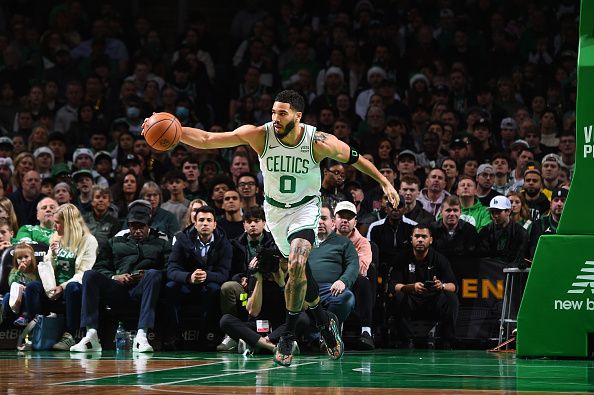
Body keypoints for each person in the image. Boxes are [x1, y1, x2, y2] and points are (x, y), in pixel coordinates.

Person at [145, 89, 399, 366]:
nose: (275, 117)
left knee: (298, 262)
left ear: (297, 116)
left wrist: (385, 183)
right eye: (273, 112)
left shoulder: (318, 141)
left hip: (305, 209)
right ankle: (324, 322)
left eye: (282, 113)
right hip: (276, 213)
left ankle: (288, 336)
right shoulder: (261, 135)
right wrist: (176, 130)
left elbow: (356, 158)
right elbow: (208, 140)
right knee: (299, 272)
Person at [24, 204, 98, 350]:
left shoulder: (88, 241)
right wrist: (53, 257)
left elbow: (83, 273)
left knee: (72, 287)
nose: (54, 226)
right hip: (54, 288)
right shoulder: (56, 238)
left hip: (74, 288)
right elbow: (47, 268)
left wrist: (62, 287)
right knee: (32, 287)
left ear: (69, 223)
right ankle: (37, 333)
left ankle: (70, 335)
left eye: (58, 222)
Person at [389, 225, 459, 349]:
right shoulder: (402, 258)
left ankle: (446, 340)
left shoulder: (439, 259)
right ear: (411, 239)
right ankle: (406, 339)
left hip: (433, 300)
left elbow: (454, 286)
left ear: (430, 240)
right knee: (398, 297)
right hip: (411, 299)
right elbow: (393, 285)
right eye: (417, 236)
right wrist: (411, 287)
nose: (420, 239)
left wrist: (441, 285)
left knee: (451, 298)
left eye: (424, 237)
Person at [2, 242, 39, 326]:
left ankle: (24, 317)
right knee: (7, 295)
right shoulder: (15, 271)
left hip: (29, 297)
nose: (23, 260)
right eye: (19, 258)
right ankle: (3, 316)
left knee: (26, 294)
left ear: (32, 257)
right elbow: (10, 283)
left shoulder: (36, 272)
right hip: (16, 297)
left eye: (26, 257)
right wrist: (19, 272)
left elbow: (38, 286)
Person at [527, 188, 567, 259]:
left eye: (563, 200)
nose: (559, 204)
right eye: (556, 200)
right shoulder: (539, 224)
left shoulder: (574, 225)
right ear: (551, 204)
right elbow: (533, 251)